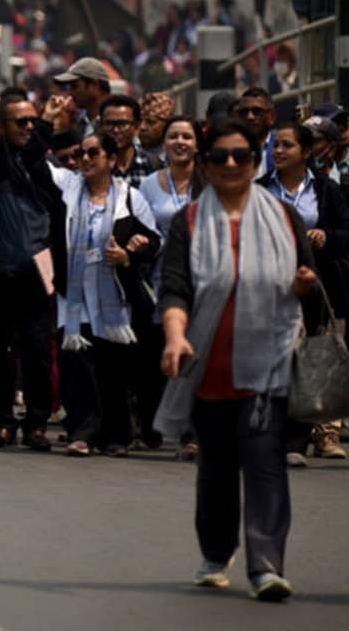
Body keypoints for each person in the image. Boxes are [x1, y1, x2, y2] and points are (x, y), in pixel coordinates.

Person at [156, 119, 318, 601]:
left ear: (255, 161)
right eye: (221, 156)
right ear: (206, 164)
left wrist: (303, 286)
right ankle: (215, 550)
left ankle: (267, 565)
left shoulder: (287, 219)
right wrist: (174, 337)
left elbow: (305, 285)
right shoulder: (186, 222)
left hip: (268, 363)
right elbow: (175, 287)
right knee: (218, 468)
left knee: (266, 462)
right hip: (208, 365)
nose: (230, 164)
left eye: (241, 156)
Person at [0, 41, 68, 453]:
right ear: (2, 126)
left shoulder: (40, 166)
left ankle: (37, 423)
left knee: (38, 350)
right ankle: (3, 420)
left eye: (32, 121)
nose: (28, 127)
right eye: (20, 123)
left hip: (36, 274)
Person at [50, 132, 159, 457]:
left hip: (114, 298)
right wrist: (51, 121)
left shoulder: (130, 198)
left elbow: (153, 241)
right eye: (82, 153)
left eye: (93, 153)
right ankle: (83, 430)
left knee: (113, 369)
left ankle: (116, 434)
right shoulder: (69, 189)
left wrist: (129, 255)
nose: (85, 159)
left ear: (111, 159)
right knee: (77, 366)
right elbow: (34, 161)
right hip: (74, 297)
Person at [259, 122, 349, 464]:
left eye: (287, 145)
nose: (279, 151)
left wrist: (325, 237)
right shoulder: (259, 189)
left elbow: (346, 235)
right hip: (268, 288)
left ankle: (297, 442)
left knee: (307, 360)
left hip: (315, 285)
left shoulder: (327, 190)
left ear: (306, 152)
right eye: (275, 146)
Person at [138, 115, 204, 456]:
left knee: (194, 355)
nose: (180, 142)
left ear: (196, 144)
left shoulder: (209, 183)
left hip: (202, 280)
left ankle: (193, 432)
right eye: (174, 136)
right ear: (163, 144)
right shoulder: (148, 185)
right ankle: (151, 426)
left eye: (187, 136)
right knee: (155, 356)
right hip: (159, 280)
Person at [99, 94, 160, 188]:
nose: (115, 130)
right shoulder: (93, 165)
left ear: (137, 126)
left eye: (122, 124)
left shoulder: (152, 166)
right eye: (109, 124)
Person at [52, 57, 110, 140]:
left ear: (94, 85)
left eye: (75, 86)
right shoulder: (80, 124)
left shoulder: (114, 123)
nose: (70, 93)